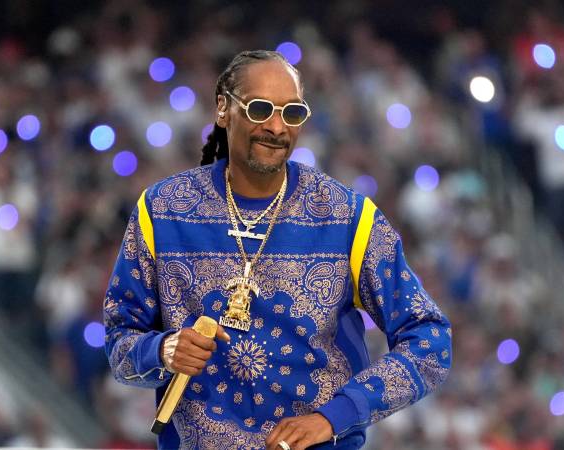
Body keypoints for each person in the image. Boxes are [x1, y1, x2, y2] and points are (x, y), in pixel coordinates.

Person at [104, 50, 452, 450]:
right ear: (223, 109)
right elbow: (119, 342)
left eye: (292, 113)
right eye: (260, 109)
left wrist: (335, 416)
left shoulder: (348, 218)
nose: (276, 126)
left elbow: (431, 341)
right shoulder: (162, 211)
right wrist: (161, 351)